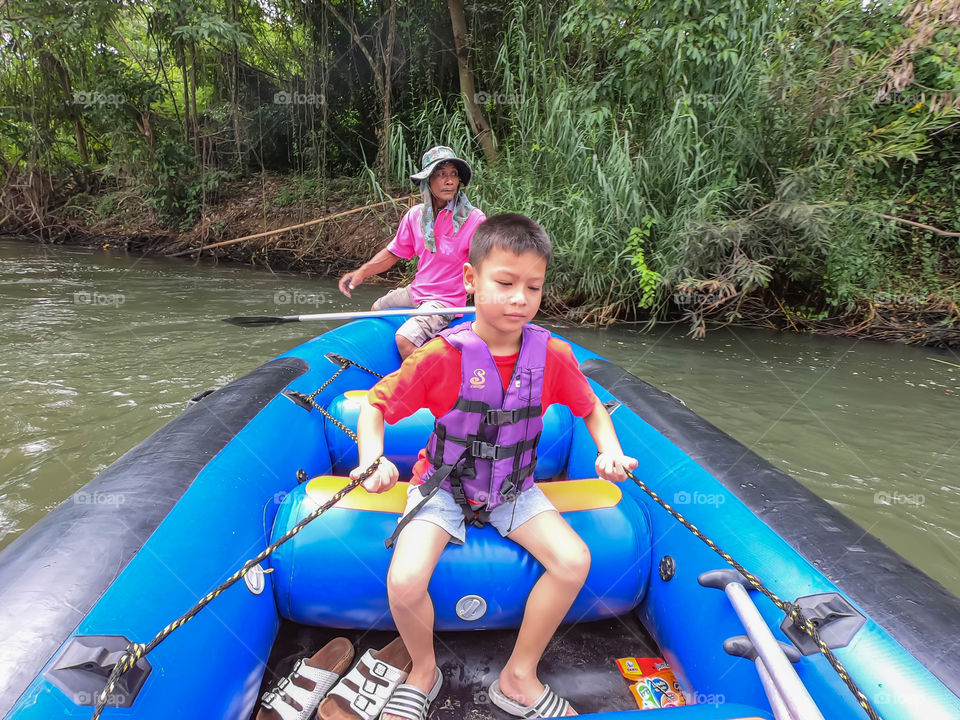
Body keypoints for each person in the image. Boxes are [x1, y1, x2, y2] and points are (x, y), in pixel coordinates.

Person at [350, 213, 639, 719]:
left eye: (533, 286)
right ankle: (423, 670)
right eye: (504, 283)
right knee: (403, 580)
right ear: (470, 280)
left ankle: (519, 677)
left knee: (573, 562)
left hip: (512, 487)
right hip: (442, 484)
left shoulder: (552, 355)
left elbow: (591, 406)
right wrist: (371, 460)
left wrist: (607, 451)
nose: (520, 298)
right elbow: (375, 407)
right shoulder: (441, 356)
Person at [338, 146, 486, 360]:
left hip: (445, 300)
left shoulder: (473, 219)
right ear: (428, 180)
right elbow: (392, 253)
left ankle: (426, 383)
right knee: (377, 308)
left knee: (404, 340)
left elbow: (485, 265)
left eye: (454, 174)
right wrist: (362, 272)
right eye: (442, 174)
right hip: (417, 291)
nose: (450, 180)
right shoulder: (415, 215)